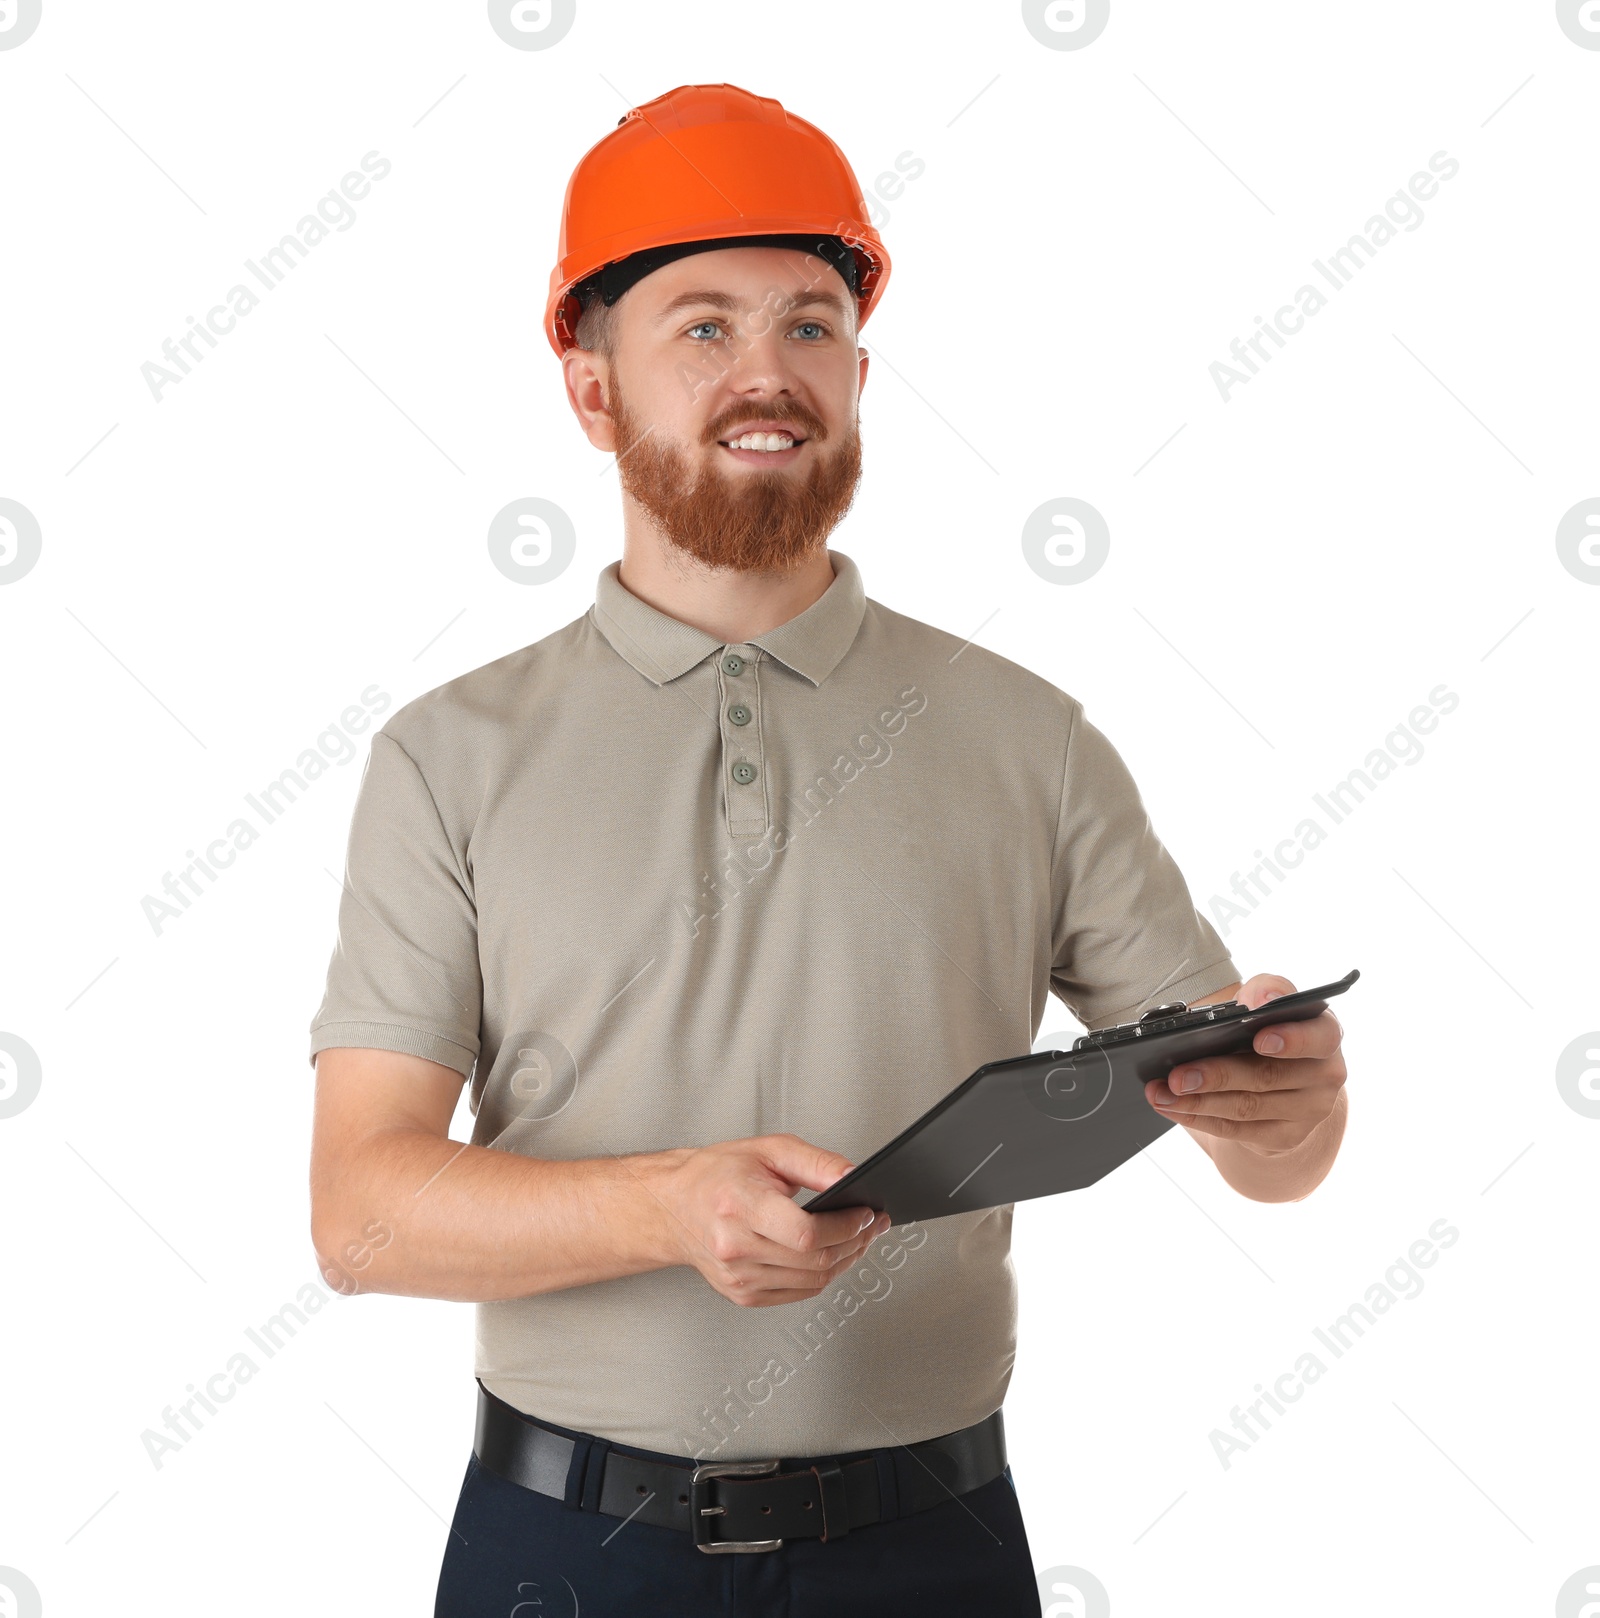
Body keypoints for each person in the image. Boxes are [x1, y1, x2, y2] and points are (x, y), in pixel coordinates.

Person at [306, 82, 1350, 1618]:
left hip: (930, 1552)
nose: (768, 374)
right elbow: (361, 1214)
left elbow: (1268, 1149)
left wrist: (1288, 1107)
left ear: (859, 372)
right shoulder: (449, 756)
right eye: (705, 328)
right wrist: (668, 1205)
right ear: (592, 388)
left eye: (810, 325)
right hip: (563, 1553)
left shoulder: (1026, 735)